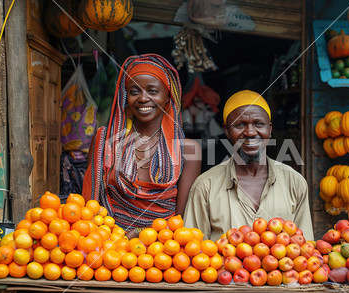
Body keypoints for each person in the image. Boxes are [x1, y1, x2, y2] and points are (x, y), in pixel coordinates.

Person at [83, 54, 201, 236]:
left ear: (168, 97)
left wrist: (141, 234)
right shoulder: (105, 141)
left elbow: (181, 219)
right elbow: (91, 205)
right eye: (134, 91)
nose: (143, 98)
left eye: (152, 91)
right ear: (125, 96)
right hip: (108, 244)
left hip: (163, 251)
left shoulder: (188, 150)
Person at [183, 90, 313, 241]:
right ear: (227, 131)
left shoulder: (294, 182)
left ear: (269, 129)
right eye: (240, 125)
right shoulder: (205, 187)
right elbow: (193, 251)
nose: (250, 132)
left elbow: (305, 247)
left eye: (258, 124)